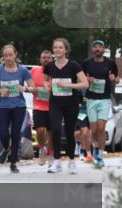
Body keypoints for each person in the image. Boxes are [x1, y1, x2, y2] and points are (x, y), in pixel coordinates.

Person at [0, 44, 35, 174]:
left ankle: (13, 163)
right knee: (3, 133)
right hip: (3, 106)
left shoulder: (23, 70)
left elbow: (33, 87)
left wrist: (24, 89)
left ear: (15, 55)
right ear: (3, 56)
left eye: (10, 55)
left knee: (16, 133)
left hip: (19, 106)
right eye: (5, 55)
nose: (8, 57)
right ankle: (6, 149)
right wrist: (0, 90)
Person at [44, 38, 89, 174]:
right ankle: (57, 161)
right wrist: (47, 86)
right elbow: (45, 80)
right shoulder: (50, 66)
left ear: (66, 50)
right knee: (56, 130)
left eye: (60, 47)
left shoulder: (74, 65)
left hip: (71, 102)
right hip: (55, 102)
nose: (57, 50)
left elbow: (85, 84)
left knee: (70, 132)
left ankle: (71, 161)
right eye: (55, 47)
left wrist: (68, 85)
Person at [82, 39, 118, 170]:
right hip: (91, 99)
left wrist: (114, 79)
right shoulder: (86, 63)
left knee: (102, 126)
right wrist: (86, 79)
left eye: (100, 46)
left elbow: (117, 78)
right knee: (94, 130)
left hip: (104, 99)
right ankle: (96, 147)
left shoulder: (111, 63)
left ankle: (100, 156)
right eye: (95, 47)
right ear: (92, 50)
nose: (97, 49)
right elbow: (80, 78)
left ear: (104, 49)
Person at [30, 50, 53, 165]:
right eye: (44, 57)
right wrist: (32, 89)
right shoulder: (34, 70)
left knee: (51, 132)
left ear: (52, 59)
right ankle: (42, 148)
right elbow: (29, 86)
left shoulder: (56, 72)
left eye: (48, 58)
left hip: (53, 107)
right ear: (40, 59)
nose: (46, 59)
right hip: (38, 105)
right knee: (40, 130)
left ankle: (51, 153)